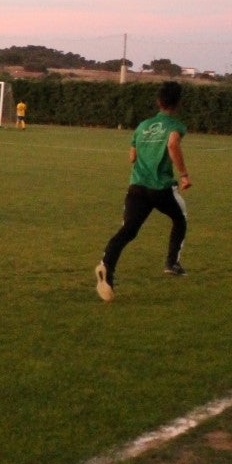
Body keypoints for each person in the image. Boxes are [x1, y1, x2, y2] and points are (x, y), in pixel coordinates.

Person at [95, 81, 192, 302]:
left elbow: (132, 157)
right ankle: (172, 263)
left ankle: (106, 266)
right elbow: (173, 144)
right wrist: (184, 174)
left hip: (137, 186)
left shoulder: (143, 125)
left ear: (158, 102)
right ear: (178, 103)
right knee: (180, 218)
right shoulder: (175, 125)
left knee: (128, 229)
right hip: (160, 188)